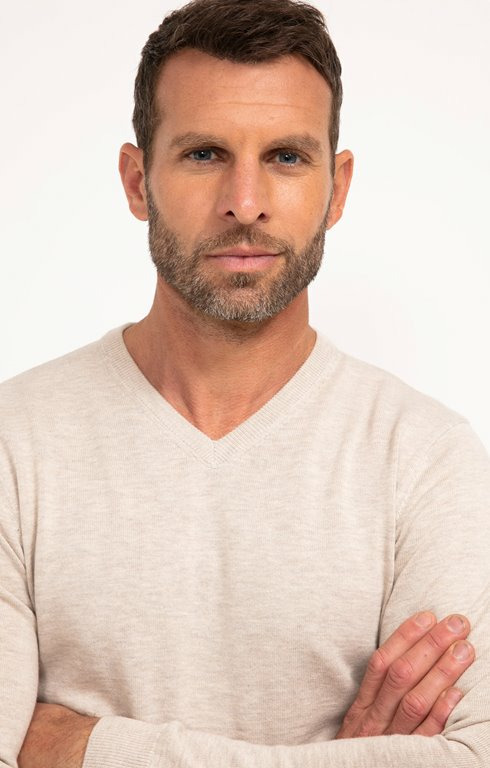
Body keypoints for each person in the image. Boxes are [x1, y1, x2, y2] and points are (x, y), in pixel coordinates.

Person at [1, 0, 489, 766]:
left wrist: (82, 747)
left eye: (287, 157)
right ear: (136, 181)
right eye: (204, 154)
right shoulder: (15, 443)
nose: (246, 203)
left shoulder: (426, 458)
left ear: (337, 187)